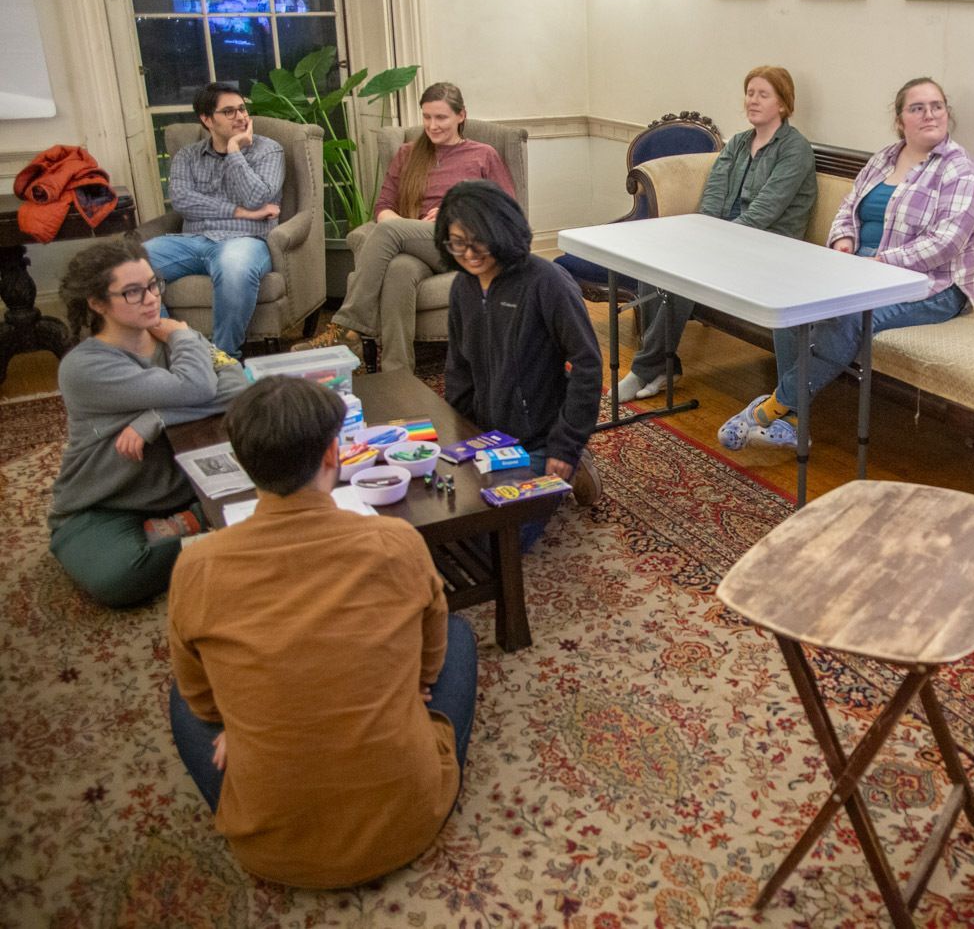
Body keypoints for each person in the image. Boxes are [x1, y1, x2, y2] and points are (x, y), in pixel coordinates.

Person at [167, 376, 475, 888]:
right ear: (334, 455)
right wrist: (411, 684)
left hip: (270, 848)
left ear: (243, 463)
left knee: (181, 698)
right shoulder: (396, 540)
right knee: (458, 634)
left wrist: (240, 724)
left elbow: (201, 700)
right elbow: (431, 654)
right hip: (409, 823)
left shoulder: (197, 566)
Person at [719, 77, 974, 450]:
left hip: (932, 285)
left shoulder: (961, 172)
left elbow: (945, 244)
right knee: (790, 301)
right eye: (917, 107)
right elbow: (849, 206)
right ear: (900, 120)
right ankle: (795, 421)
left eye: (937, 106)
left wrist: (879, 261)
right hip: (861, 270)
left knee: (849, 317)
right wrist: (844, 241)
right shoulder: (884, 159)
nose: (929, 114)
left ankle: (772, 409)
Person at [48, 238, 248, 607]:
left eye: (153, 285)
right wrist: (185, 336)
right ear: (97, 303)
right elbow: (199, 385)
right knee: (120, 578)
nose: (151, 298)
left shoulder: (172, 336)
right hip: (105, 504)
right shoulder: (85, 367)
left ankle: (195, 523)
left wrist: (156, 417)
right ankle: (223, 539)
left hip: (183, 486)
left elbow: (237, 386)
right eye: (133, 292)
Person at [614, 66, 818, 402]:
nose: (752, 101)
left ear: (783, 104)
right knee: (655, 264)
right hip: (724, 243)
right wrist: (702, 238)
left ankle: (647, 369)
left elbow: (763, 213)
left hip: (767, 250)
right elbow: (712, 197)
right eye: (749, 93)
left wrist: (712, 247)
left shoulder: (794, 150)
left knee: (687, 276)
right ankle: (663, 367)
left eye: (762, 95)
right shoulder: (738, 143)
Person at [294, 82, 516, 374]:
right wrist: (408, 229)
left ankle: (346, 329)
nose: (432, 126)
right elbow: (383, 207)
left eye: (441, 118)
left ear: (461, 115)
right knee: (399, 270)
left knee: (388, 232)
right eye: (426, 117)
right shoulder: (408, 153)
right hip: (419, 245)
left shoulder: (482, 154)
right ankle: (397, 374)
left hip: (463, 245)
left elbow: (508, 213)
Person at [438, 181, 603, 529]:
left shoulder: (547, 282)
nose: (469, 254)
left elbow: (587, 363)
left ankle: (573, 463)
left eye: (478, 241)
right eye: (457, 243)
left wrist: (565, 445)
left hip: (540, 439)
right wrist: (465, 436)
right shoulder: (462, 287)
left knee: (499, 539)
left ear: (502, 231)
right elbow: (458, 367)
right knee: (444, 516)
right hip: (487, 437)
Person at [144, 82, 285, 358]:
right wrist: (240, 212)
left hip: (246, 241)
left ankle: (223, 357)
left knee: (234, 267)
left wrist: (234, 151)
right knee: (133, 263)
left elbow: (259, 197)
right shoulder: (188, 156)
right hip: (193, 241)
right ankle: (170, 351)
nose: (241, 117)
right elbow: (183, 201)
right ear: (207, 120)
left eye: (242, 109)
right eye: (229, 112)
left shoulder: (268, 151)